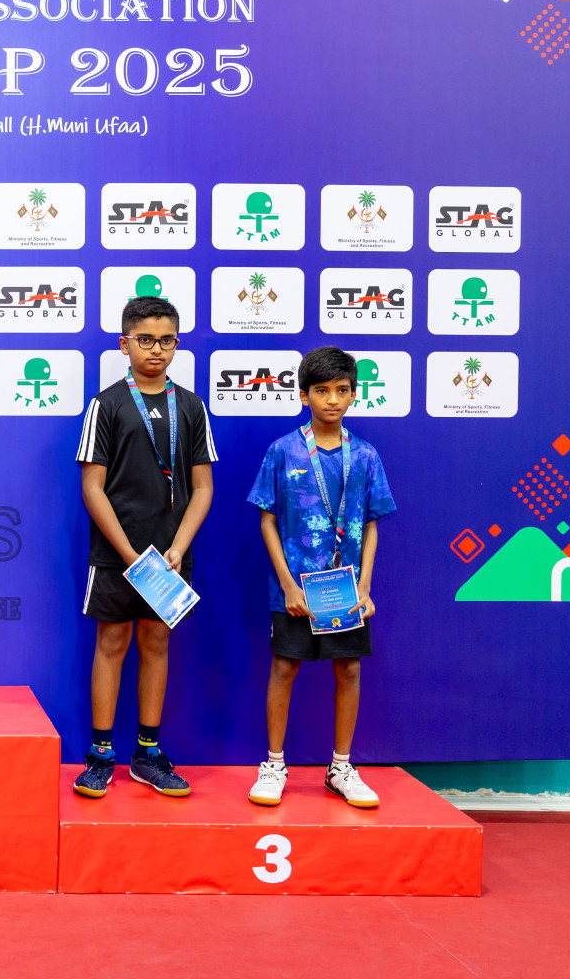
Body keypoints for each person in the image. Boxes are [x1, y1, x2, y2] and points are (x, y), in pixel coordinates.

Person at [73, 296, 215, 798]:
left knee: (156, 644)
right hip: (117, 554)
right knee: (111, 645)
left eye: (167, 340)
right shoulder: (107, 404)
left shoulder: (191, 406)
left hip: (169, 557)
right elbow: (93, 488)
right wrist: (129, 554)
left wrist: (177, 547)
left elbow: (203, 488)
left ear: (177, 344)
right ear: (125, 343)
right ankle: (100, 755)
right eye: (146, 340)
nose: (156, 350)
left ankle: (147, 754)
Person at [246, 346, 395, 808]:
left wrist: (365, 587)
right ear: (304, 395)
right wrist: (288, 584)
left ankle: (341, 767)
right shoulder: (283, 450)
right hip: (294, 591)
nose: (333, 399)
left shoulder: (365, 455)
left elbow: (371, 524)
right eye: (322, 390)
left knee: (348, 669)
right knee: (284, 667)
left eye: (342, 390)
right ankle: (274, 764)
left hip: (346, 591)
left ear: (354, 394)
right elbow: (267, 520)